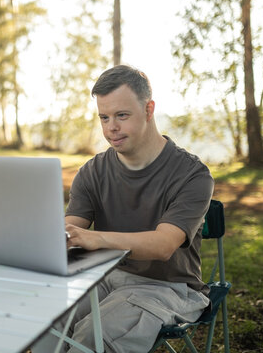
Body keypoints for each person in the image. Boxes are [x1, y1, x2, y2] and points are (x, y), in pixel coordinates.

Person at [46, 65, 213, 353]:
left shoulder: (192, 174)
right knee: (47, 319)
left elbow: (163, 245)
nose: (111, 127)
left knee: (92, 336)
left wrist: (98, 239)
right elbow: (70, 229)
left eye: (122, 115)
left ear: (149, 110)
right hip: (107, 277)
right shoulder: (92, 171)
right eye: (104, 117)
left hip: (170, 288)